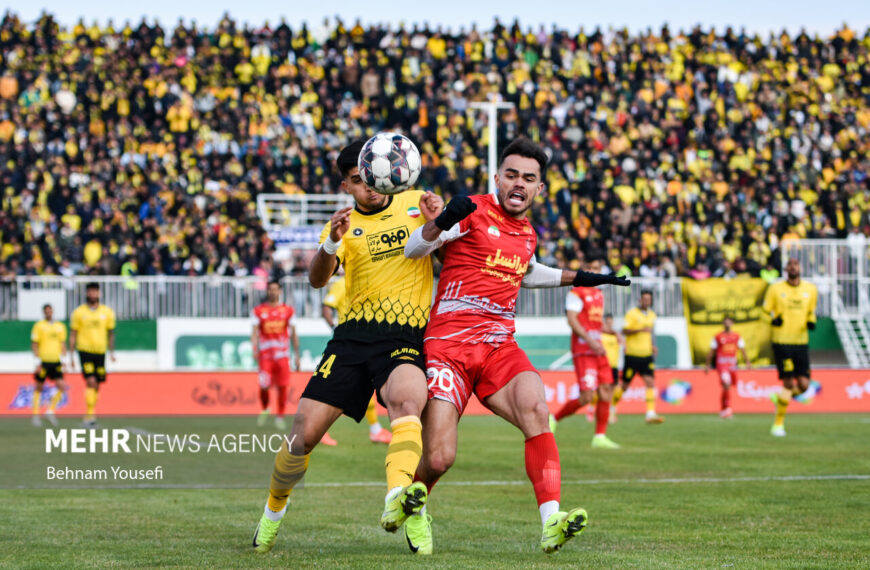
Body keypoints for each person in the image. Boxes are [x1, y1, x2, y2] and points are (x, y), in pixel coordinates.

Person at [403, 137, 629, 555]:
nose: (518, 184)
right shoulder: (470, 209)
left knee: (536, 410)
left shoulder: (528, 233)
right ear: (497, 178)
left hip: (497, 346)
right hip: (448, 346)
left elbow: (527, 272)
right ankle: (415, 507)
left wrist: (582, 277)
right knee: (438, 459)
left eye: (528, 178)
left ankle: (551, 521)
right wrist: (439, 222)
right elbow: (414, 248)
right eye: (511, 175)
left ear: (539, 188)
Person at [251, 140, 444, 553]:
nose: (371, 187)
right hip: (353, 338)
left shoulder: (416, 202)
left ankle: (404, 504)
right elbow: (318, 280)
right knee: (302, 435)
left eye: (375, 177)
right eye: (359, 180)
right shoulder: (341, 225)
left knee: (407, 402)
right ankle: (271, 513)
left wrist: (440, 224)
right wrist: (331, 243)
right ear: (347, 185)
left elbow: (446, 261)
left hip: (405, 335)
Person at [549, 255, 620, 449]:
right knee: (587, 397)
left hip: (598, 350)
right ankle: (553, 418)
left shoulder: (598, 294)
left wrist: (614, 333)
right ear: (585, 269)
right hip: (584, 350)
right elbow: (572, 320)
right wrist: (590, 341)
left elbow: (595, 325)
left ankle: (600, 436)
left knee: (606, 392)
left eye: (597, 268)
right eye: (591, 268)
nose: (594, 272)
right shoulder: (576, 292)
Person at [322, 276, 392, 444]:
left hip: (365, 341)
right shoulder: (341, 283)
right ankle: (320, 429)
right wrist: (334, 327)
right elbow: (327, 306)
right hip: (348, 342)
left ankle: (375, 430)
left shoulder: (367, 281)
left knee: (363, 385)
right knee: (334, 386)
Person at [763, 257, 818, 437]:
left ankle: (779, 398)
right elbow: (763, 312)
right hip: (782, 341)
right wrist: (773, 320)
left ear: (800, 267)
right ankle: (778, 425)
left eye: (796, 263)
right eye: (790, 264)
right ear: (786, 268)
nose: (793, 267)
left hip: (801, 341)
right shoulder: (776, 289)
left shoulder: (810, 289)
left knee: (803, 385)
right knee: (788, 383)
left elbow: (811, 312)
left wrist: (811, 321)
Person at [251, 280, 302, 432]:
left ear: (280, 291)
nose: (273, 292)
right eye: (270, 289)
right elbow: (254, 332)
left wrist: (297, 355)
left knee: (282, 387)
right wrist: (254, 348)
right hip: (265, 356)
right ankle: (266, 407)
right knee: (264, 385)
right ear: (267, 291)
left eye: (276, 289)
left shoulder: (288, 311)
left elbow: (293, 333)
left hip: (282, 355)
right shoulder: (259, 311)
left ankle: (280, 416)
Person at [611, 290, 664, 424]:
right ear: (640, 300)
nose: (646, 301)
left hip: (646, 355)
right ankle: (611, 408)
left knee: (650, 382)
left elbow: (651, 333)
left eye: (648, 299)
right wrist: (640, 330)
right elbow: (624, 331)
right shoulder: (632, 314)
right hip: (632, 355)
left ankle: (650, 413)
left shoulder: (652, 315)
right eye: (644, 299)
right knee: (624, 386)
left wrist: (653, 345)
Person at [69, 282, 116, 428]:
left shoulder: (107, 312)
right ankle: (90, 417)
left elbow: (111, 333)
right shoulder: (79, 312)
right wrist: (71, 355)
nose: (92, 294)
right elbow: (73, 334)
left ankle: (90, 415)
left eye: (95, 291)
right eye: (90, 291)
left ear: (99, 293)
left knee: (98, 384)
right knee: (91, 381)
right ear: (86, 293)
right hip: (85, 350)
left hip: (100, 351)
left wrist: (112, 352)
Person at [704, 316, 750, 419]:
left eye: (729, 322)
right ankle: (727, 409)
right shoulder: (718, 337)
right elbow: (711, 352)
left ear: (732, 323)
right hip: (722, 365)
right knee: (726, 384)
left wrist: (747, 361)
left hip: (732, 365)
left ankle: (723, 408)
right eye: (725, 322)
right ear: (723, 324)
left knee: (728, 387)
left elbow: (742, 350)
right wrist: (707, 365)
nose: (727, 324)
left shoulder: (737, 336)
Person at [30, 303, 68, 427]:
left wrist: (64, 359)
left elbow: (62, 344)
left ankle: (50, 410)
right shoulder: (39, 326)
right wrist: (37, 362)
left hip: (56, 361)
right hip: (43, 361)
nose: (48, 313)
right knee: (39, 387)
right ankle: (35, 415)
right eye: (46, 311)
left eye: (50, 311)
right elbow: (35, 344)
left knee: (62, 386)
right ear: (44, 313)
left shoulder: (60, 326)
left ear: (53, 312)